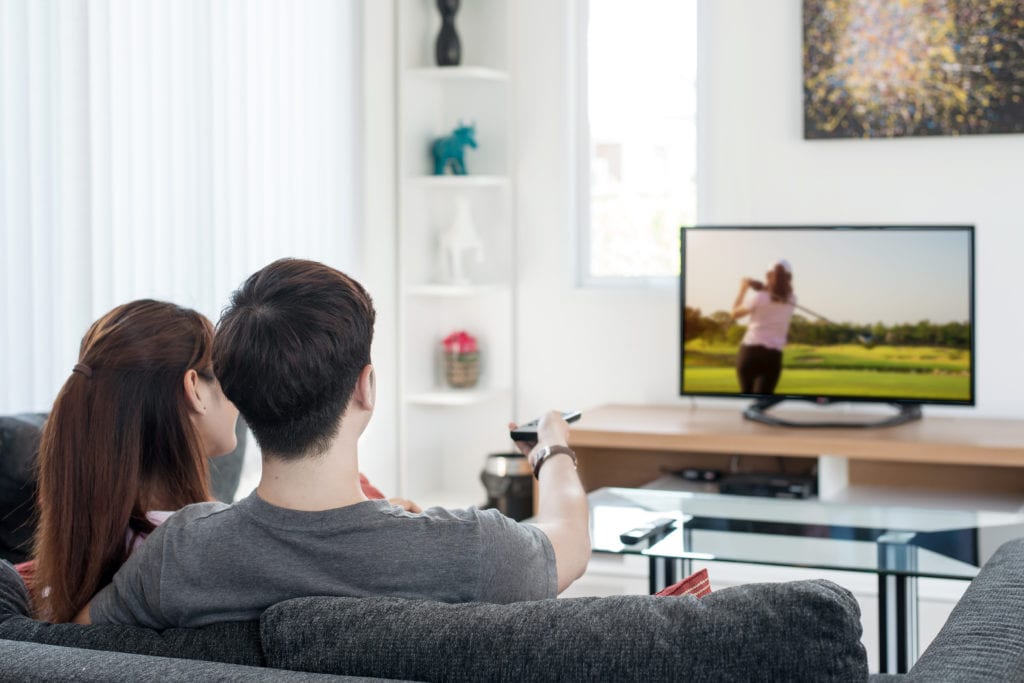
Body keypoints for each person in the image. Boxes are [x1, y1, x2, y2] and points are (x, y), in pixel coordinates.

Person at [81, 258, 590, 628]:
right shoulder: (471, 549)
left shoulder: (183, 551)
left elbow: (70, 639)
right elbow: (570, 539)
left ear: (238, 395)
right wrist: (551, 448)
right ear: (365, 387)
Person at [29, 300, 241, 623]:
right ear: (195, 388)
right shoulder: (207, 551)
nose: (237, 397)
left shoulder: (69, 554)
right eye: (226, 375)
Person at [731, 259, 797, 394]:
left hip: (749, 353)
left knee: (746, 396)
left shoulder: (759, 297)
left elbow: (734, 314)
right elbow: (777, 294)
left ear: (768, 276)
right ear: (789, 277)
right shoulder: (793, 299)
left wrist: (743, 289)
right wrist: (761, 288)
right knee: (762, 400)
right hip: (773, 356)